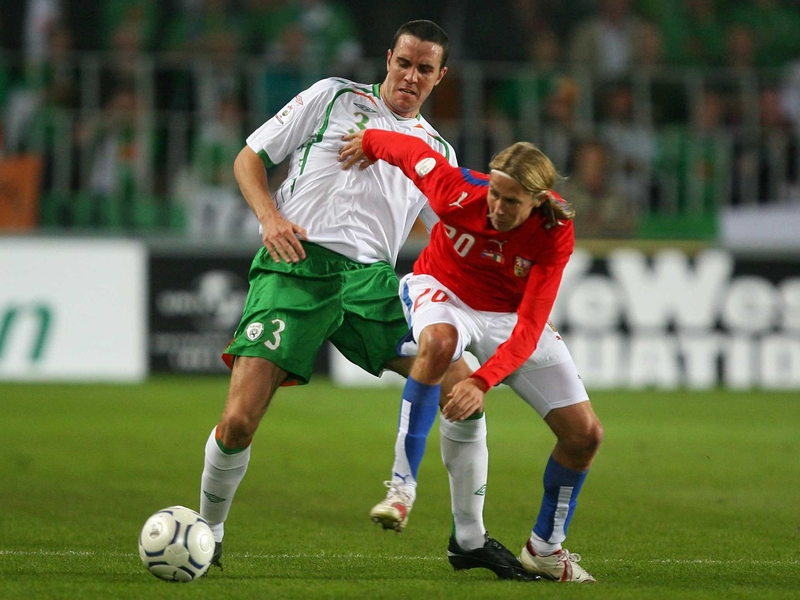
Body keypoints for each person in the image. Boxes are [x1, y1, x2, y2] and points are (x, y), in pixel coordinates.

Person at [198, 19, 533, 581]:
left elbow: (456, 228)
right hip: (295, 268)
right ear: (388, 58)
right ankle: (209, 534)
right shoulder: (331, 97)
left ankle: (469, 539)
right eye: (404, 63)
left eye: (424, 69)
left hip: (373, 284)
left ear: (439, 77)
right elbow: (248, 158)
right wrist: (269, 217)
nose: (410, 76)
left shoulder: (435, 150)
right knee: (237, 421)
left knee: (462, 382)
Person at [339, 127, 604, 582]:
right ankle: (401, 489)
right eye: (495, 194)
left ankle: (545, 547)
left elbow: (528, 329)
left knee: (585, 436)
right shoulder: (458, 191)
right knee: (439, 344)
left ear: (538, 200)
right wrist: (368, 141)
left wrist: (483, 381)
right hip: (443, 291)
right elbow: (410, 150)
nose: (497, 208)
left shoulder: (554, 231)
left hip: (506, 317)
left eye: (512, 201)